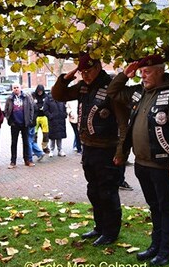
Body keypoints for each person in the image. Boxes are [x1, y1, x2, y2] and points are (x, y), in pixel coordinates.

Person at [108, 55, 169, 266]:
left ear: (160, 71)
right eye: (141, 72)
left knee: (166, 207)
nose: (142, 76)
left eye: (147, 72)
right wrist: (126, 74)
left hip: (162, 164)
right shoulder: (139, 92)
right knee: (154, 206)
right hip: (142, 163)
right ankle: (156, 244)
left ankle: (166, 251)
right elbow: (113, 93)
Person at [52, 53, 128, 246]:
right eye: (82, 72)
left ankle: (111, 232)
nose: (85, 76)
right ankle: (100, 227)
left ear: (98, 68)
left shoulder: (111, 86)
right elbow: (59, 95)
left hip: (107, 149)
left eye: (89, 71)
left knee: (107, 192)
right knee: (93, 191)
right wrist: (68, 77)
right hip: (89, 148)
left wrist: (121, 151)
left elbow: (122, 122)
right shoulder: (84, 87)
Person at [4, 83, 35, 168]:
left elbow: (31, 109)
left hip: (25, 123)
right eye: (14, 88)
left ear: (20, 88)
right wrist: (9, 119)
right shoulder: (10, 99)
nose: (16, 89)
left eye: (17, 87)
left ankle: (27, 160)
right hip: (14, 124)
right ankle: (13, 162)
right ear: (12, 89)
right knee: (14, 143)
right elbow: (6, 110)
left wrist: (30, 120)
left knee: (26, 143)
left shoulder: (26, 97)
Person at [43, 92, 68, 157]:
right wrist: (50, 116)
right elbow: (45, 110)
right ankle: (51, 150)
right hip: (53, 121)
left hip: (60, 120)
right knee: (52, 137)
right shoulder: (48, 99)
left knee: (59, 136)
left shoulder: (61, 97)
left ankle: (60, 150)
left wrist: (64, 114)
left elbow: (64, 107)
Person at [33, 84, 50, 154]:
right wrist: (38, 108)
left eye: (41, 91)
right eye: (39, 91)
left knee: (46, 134)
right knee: (34, 134)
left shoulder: (46, 96)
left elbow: (47, 105)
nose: (40, 92)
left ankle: (45, 147)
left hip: (44, 116)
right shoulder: (33, 96)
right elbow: (32, 104)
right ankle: (35, 148)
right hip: (36, 117)